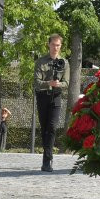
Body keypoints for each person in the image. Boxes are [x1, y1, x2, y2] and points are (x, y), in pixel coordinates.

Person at [34, 34, 69, 172]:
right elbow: (37, 82)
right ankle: (46, 158)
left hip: (56, 97)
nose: (56, 47)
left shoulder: (64, 63)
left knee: (52, 127)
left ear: (61, 46)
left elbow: (66, 82)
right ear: (48, 44)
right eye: (53, 44)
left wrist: (58, 84)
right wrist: (49, 83)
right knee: (45, 129)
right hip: (42, 97)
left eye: (58, 45)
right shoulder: (40, 62)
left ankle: (47, 159)